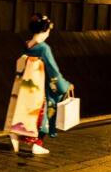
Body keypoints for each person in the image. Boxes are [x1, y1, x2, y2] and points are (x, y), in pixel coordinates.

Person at [5, 13, 73, 155]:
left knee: (23, 110)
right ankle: (37, 143)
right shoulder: (44, 48)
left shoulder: (27, 45)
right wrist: (65, 85)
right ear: (45, 30)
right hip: (39, 88)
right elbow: (53, 71)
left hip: (26, 86)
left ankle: (15, 135)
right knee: (45, 110)